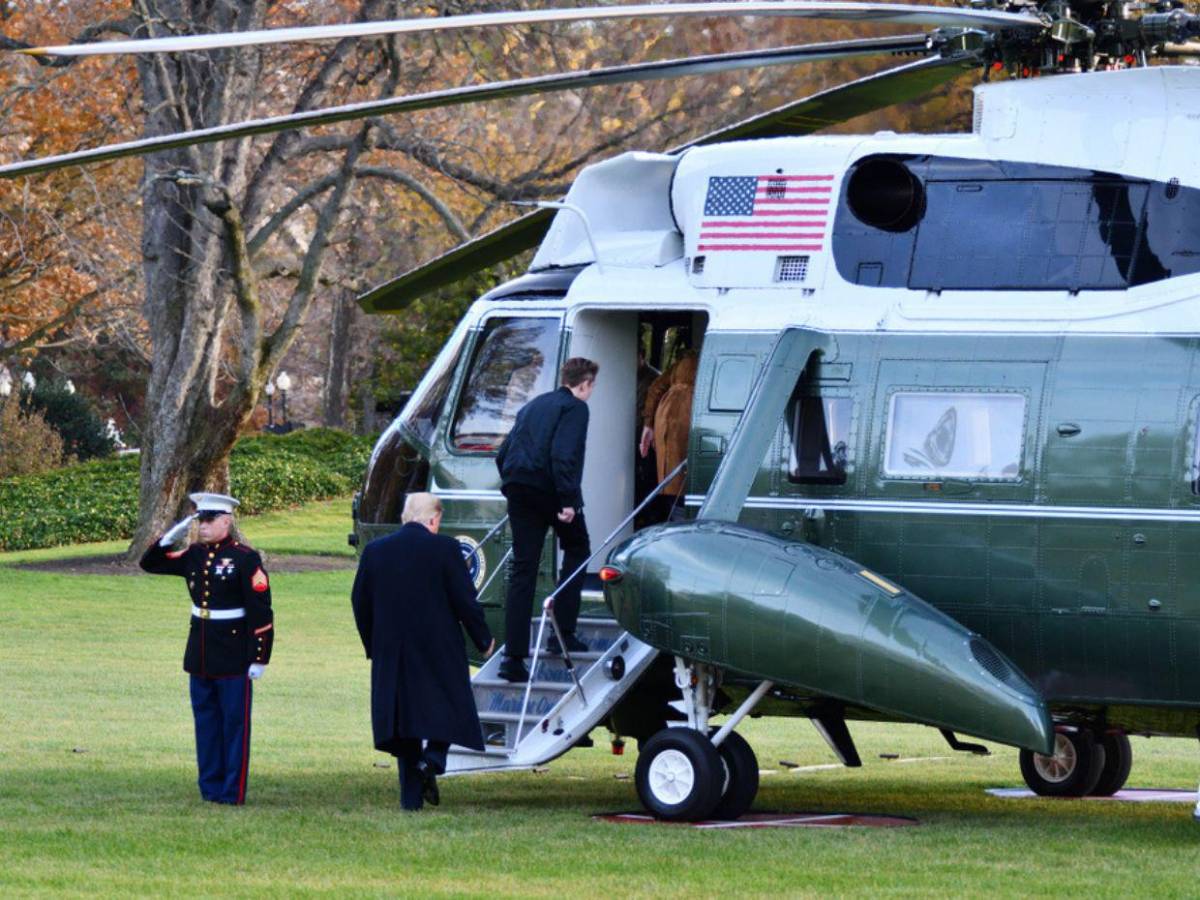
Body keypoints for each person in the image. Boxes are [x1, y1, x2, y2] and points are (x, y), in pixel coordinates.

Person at [350, 492, 494, 811]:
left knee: (405, 724)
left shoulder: (375, 551)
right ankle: (433, 759)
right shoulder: (445, 549)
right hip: (439, 645)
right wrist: (484, 640)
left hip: (393, 649)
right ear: (433, 519)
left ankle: (411, 799)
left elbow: (359, 602)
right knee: (451, 704)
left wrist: (373, 643)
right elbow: (464, 601)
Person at [139, 492, 274, 805]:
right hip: (200, 652)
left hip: (233, 654)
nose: (203, 526)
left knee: (234, 726)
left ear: (226, 521)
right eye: (200, 520)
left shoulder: (244, 558)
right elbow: (150, 564)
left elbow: (260, 610)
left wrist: (259, 656)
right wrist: (167, 538)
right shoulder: (195, 554)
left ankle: (231, 791)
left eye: (210, 520)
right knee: (207, 724)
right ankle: (210, 788)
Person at [495, 356, 599, 683]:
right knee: (579, 547)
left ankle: (513, 659)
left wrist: (514, 486)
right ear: (583, 384)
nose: (591, 391)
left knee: (523, 568)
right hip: (549, 490)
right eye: (592, 385)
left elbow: (504, 452)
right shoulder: (576, 408)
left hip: (517, 487)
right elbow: (562, 454)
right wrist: (568, 501)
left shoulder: (535, 405)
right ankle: (562, 633)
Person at [640, 349, 699, 522]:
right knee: (683, 479)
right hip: (683, 418)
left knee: (672, 478)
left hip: (665, 417)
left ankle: (675, 516)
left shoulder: (680, 365)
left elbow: (656, 388)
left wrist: (648, 424)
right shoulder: (698, 365)